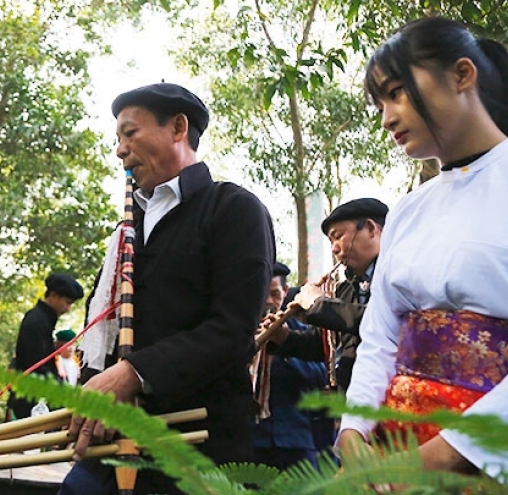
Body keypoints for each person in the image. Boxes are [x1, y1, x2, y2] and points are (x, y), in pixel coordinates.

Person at [60, 83, 275, 494]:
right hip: (115, 447)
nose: (120, 149)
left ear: (178, 128)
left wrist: (135, 373)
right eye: (117, 138)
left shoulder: (233, 209)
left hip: (199, 451)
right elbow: (105, 327)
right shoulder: (126, 232)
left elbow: (232, 331)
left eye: (130, 133)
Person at [338, 17, 508, 478]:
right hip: (394, 453)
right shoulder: (409, 210)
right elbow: (380, 337)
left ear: (462, 75)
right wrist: (354, 429)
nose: (387, 117)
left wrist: (449, 452)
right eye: (379, 103)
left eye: (397, 92)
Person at [259, 198, 387, 393]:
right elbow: (327, 346)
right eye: (331, 241)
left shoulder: (399, 276)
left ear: (370, 228)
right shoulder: (346, 289)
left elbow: (382, 321)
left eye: (339, 236)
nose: (335, 248)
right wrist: (285, 337)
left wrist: (318, 303)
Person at [252, 262, 328, 471]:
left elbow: (322, 378)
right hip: (254, 443)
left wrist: (285, 344)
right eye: (262, 294)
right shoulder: (240, 333)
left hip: (297, 440)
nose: (269, 302)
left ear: (285, 292)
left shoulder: (303, 335)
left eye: (275, 294)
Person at [11, 273, 84, 419]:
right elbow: (36, 365)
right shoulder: (36, 322)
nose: (68, 308)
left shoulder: (44, 320)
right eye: (67, 302)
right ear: (53, 295)